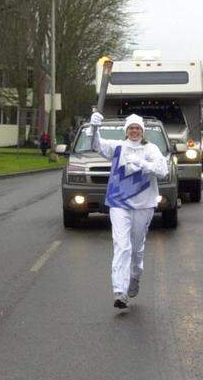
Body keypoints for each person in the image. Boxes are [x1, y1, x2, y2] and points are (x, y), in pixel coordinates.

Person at [85, 111, 168, 310]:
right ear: (126, 130)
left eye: (137, 128)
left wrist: (143, 164)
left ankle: (135, 276)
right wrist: (94, 128)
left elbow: (162, 171)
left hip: (144, 204)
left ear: (142, 131)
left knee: (137, 248)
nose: (134, 131)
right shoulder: (118, 148)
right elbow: (96, 145)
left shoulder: (151, 148)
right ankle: (119, 291)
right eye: (131, 128)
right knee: (122, 246)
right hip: (118, 203)